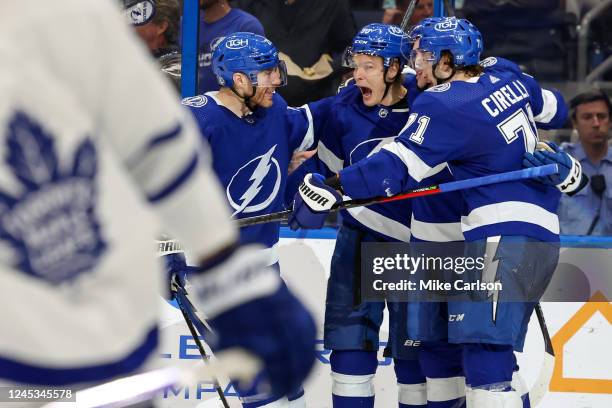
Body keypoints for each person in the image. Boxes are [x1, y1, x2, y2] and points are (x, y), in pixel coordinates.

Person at [0, 0, 316, 403]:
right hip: (21, 340)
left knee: (272, 390)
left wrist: (225, 267)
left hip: (113, 334)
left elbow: (161, 154)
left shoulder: (77, 19)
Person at [290, 16, 585, 408]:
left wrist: (336, 187)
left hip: (497, 230)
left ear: (448, 61)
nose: (417, 66)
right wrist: (570, 173)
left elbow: (393, 166)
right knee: (439, 359)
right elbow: (556, 110)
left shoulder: (443, 102)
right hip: (466, 236)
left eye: (423, 57)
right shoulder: (507, 73)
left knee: (487, 364)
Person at [182, 32, 332, 407]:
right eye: (267, 74)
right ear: (238, 79)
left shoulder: (275, 109)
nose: (278, 80)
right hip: (213, 270)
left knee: (288, 376)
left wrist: (303, 189)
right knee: (261, 381)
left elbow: (297, 154)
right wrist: (165, 253)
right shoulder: (196, 118)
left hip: (265, 261)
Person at [286, 23, 429, 408]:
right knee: (350, 350)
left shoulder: (430, 103)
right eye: (356, 65)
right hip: (359, 235)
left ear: (395, 68)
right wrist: (300, 182)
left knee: (416, 359)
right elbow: (285, 128)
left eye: (368, 66)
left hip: (414, 246)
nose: (357, 75)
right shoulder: (342, 107)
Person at [234, 0, 357, 106]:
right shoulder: (249, 3)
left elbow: (354, 51)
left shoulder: (333, 3)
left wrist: (329, 68)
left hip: (315, 102)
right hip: (259, 102)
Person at [557, 90, 612, 235]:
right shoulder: (559, 164)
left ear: (610, 120)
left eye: (601, 116)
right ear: (574, 122)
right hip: (569, 254)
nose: (596, 123)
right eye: (587, 117)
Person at [197, 0, 264, 94]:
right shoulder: (187, 25)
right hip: (191, 103)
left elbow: (256, 78)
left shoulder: (246, 25)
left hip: (231, 105)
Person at [123, 0, 182, 90]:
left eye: (136, 15)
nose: (128, 25)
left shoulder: (177, 66)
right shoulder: (134, 59)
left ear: (161, 27)